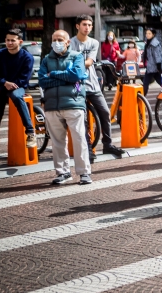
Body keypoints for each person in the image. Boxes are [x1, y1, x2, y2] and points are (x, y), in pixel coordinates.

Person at [38, 30, 92, 185]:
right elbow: (42, 81)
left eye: (60, 39)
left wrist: (53, 74)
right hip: (52, 106)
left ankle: (84, 173)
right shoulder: (46, 59)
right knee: (57, 142)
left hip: (73, 104)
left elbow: (76, 76)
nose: (56, 42)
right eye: (54, 39)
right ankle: (63, 172)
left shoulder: (77, 56)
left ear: (68, 42)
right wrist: (64, 78)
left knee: (79, 139)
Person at [70, 15, 123, 161]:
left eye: (89, 25)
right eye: (84, 24)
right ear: (77, 26)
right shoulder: (71, 43)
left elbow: (89, 61)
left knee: (105, 113)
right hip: (76, 86)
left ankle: (107, 144)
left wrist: (77, 62)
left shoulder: (94, 43)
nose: (87, 27)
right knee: (84, 119)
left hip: (93, 84)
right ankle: (88, 148)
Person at [0, 28, 36, 149]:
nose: (9, 43)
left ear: (20, 41)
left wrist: (11, 85)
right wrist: (4, 82)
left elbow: (24, 79)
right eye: (7, 40)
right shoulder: (0, 54)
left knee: (16, 96)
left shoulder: (27, 57)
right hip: (2, 86)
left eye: (13, 40)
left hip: (18, 87)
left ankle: (30, 132)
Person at [142, 28, 162, 96]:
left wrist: (159, 67)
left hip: (153, 66)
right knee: (160, 81)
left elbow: (157, 56)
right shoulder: (148, 42)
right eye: (146, 33)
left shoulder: (154, 44)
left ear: (153, 34)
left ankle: (142, 97)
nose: (147, 35)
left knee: (145, 82)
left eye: (149, 33)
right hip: (151, 66)